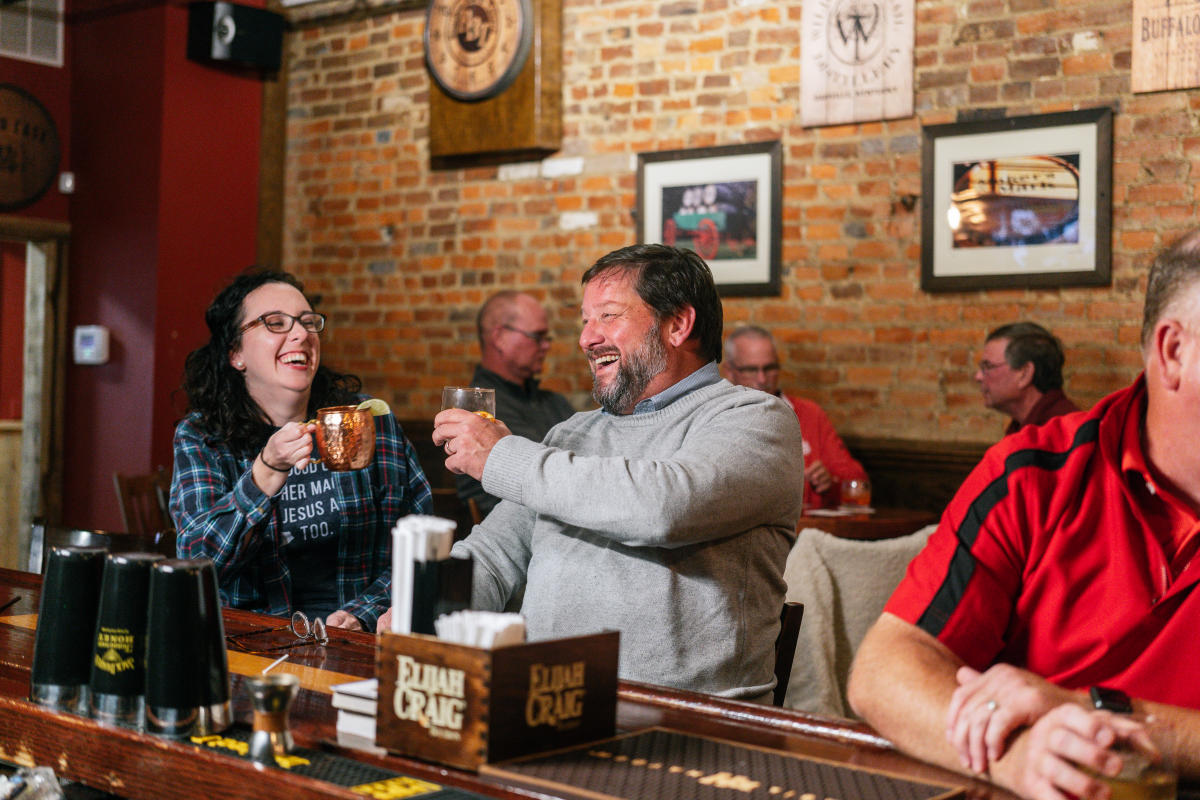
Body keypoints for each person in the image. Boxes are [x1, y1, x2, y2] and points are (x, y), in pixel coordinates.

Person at [847, 231, 1200, 800]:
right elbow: (884, 670)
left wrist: (1098, 712)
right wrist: (1013, 756)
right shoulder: (1033, 475)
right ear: (1175, 351)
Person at [401, 244, 805, 701]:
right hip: (544, 703)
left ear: (678, 324)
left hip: (686, 723)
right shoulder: (570, 434)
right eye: (584, 321)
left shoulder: (754, 418)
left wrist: (503, 457)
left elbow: (665, 507)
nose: (586, 339)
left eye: (608, 316)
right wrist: (417, 607)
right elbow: (494, 558)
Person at [170, 269, 432, 632]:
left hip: (355, 642)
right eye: (275, 323)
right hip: (253, 643)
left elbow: (421, 546)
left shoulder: (367, 422)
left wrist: (364, 613)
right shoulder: (205, 436)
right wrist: (266, 471)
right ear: (235, 354)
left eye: (308, 323)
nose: (301, 334)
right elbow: (198, 563)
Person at [454, 291, 575, 518]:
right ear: (500, 337)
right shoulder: (475, 414)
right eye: (537, 336)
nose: (546, 346)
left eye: (546, 338)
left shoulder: (555, 403)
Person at [722, 325, 867, 509]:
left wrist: (831, 481)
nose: (761, 378)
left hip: (805, 531)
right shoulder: (719, 418)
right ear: (729, 371)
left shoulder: (809, 414)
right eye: (751, 369)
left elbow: (858, 482)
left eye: (770, 368)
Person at [974, 321, 1079, 436]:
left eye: (988, 366)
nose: (978, 376)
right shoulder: (1023, 427)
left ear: (1024, 373)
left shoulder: (1062, 433)